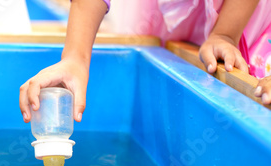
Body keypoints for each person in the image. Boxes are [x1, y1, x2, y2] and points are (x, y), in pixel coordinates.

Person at [20, 0, 271, 124]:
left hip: (240, 18)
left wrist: (225, 32)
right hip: (166, 17)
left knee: (247, 74)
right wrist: (75, 56)